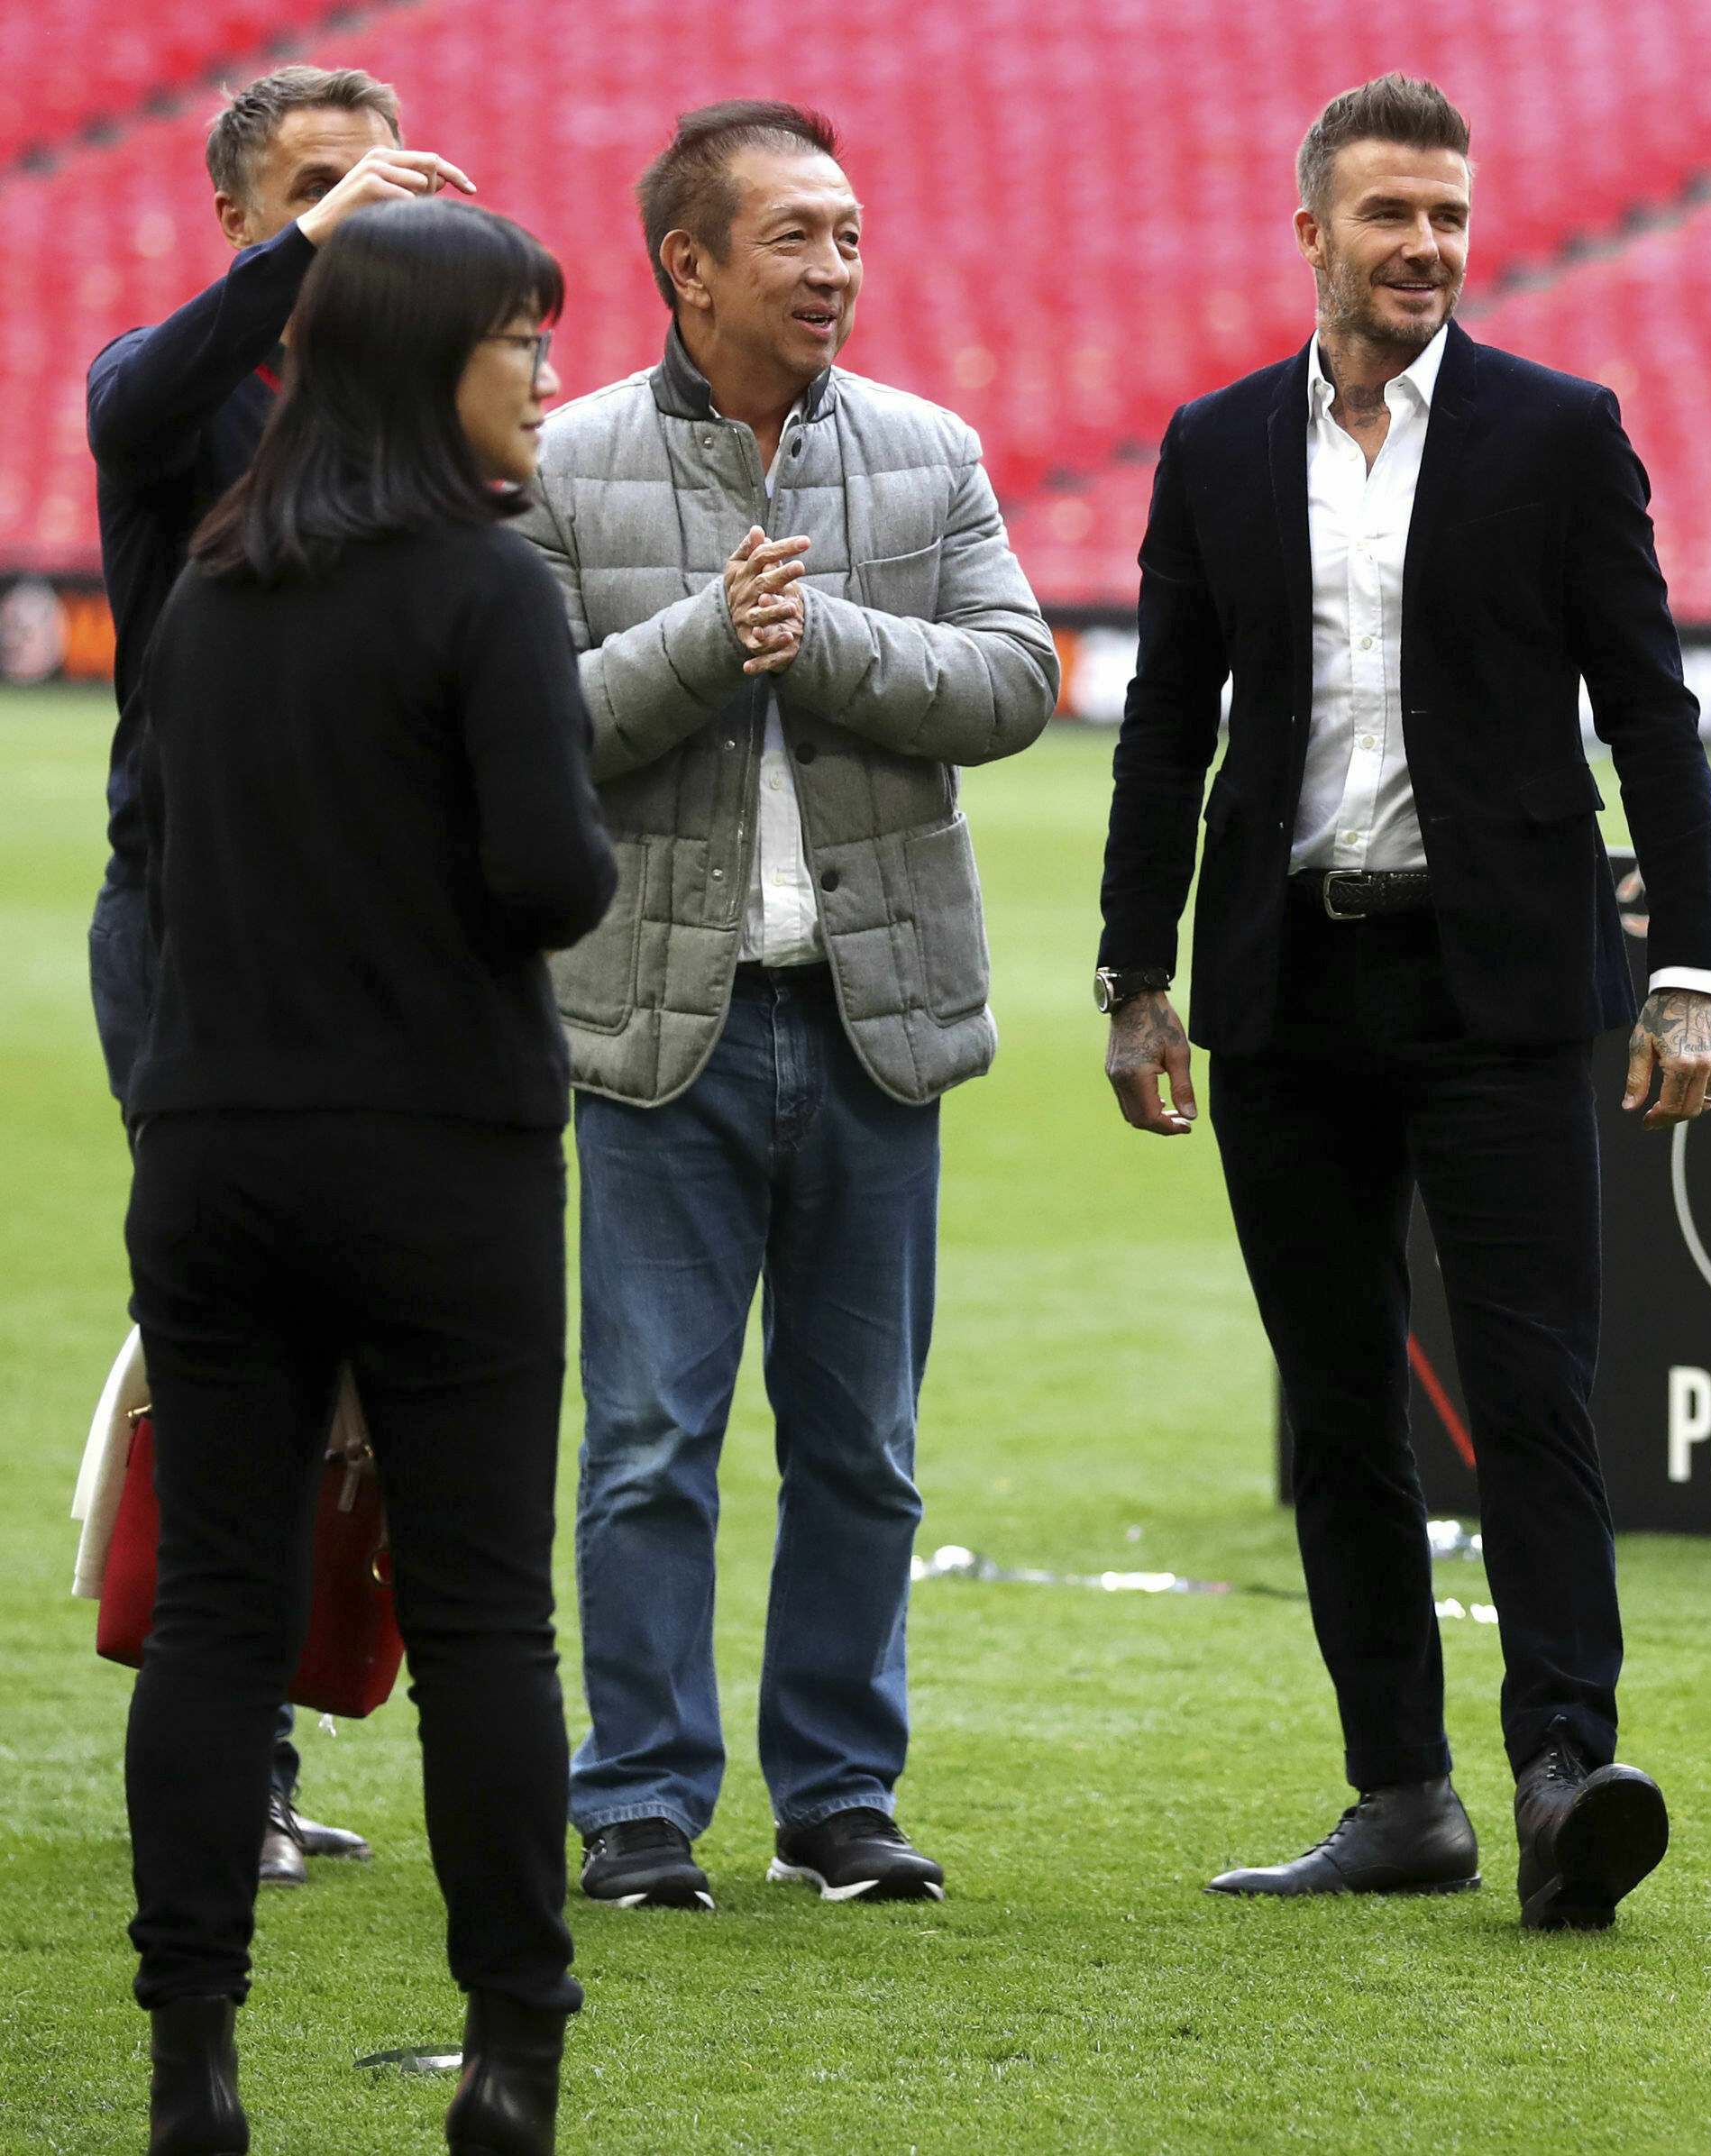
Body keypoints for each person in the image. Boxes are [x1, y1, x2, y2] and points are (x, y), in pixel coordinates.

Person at [1098, 75, 1711, 1932]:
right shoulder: (1212, 445)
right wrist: (1141, 978)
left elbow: (1652, 716)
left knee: (1529, 1384)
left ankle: (1562, 1771)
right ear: (1312, 231)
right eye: (1389, 215)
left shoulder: (1556, 433)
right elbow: (1162, 728)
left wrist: (1686, 966)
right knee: (1341, 1404)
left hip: (1505, 981)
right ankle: (1400, 1793)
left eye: (1448, 215)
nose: (1426, 247)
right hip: (1290, 986)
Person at [515, 101, 1057, 1914]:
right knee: (649, 1436)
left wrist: (817, 641)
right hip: (652, 1022)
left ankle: (839, 1794)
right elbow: (526, 734)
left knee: (864, 1443)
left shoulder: (928, 449)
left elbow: (1014, 679)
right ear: (688, 265)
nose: (836, 268)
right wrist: (702, 637)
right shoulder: (562, 462)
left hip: (869, 1016)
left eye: (847, 234)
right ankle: (642, 1803)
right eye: (794, 239)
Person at [125, 197, 611, 2156]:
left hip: (218, 1147)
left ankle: (192, 2059)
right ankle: (508, 2048)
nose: (550, 382)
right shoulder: (487, 589)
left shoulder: (206, 592)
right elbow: (550, 878)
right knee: (486, 1615)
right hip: (444, 1149)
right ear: (435, 365)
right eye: (524, 348)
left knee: (215, 1617)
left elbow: (161, 853)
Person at [86, 62, 473, 1892]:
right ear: (237, 218)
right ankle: (216, 1755)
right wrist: (325, 244)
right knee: (229, 1333)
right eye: (313, 185)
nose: (355, 206)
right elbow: (131, 395)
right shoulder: (182, 394)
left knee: (334, 1353)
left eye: (371, 177)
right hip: (189, 925)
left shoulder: (409, 415)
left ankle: (271, 1727)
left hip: (369, 931)